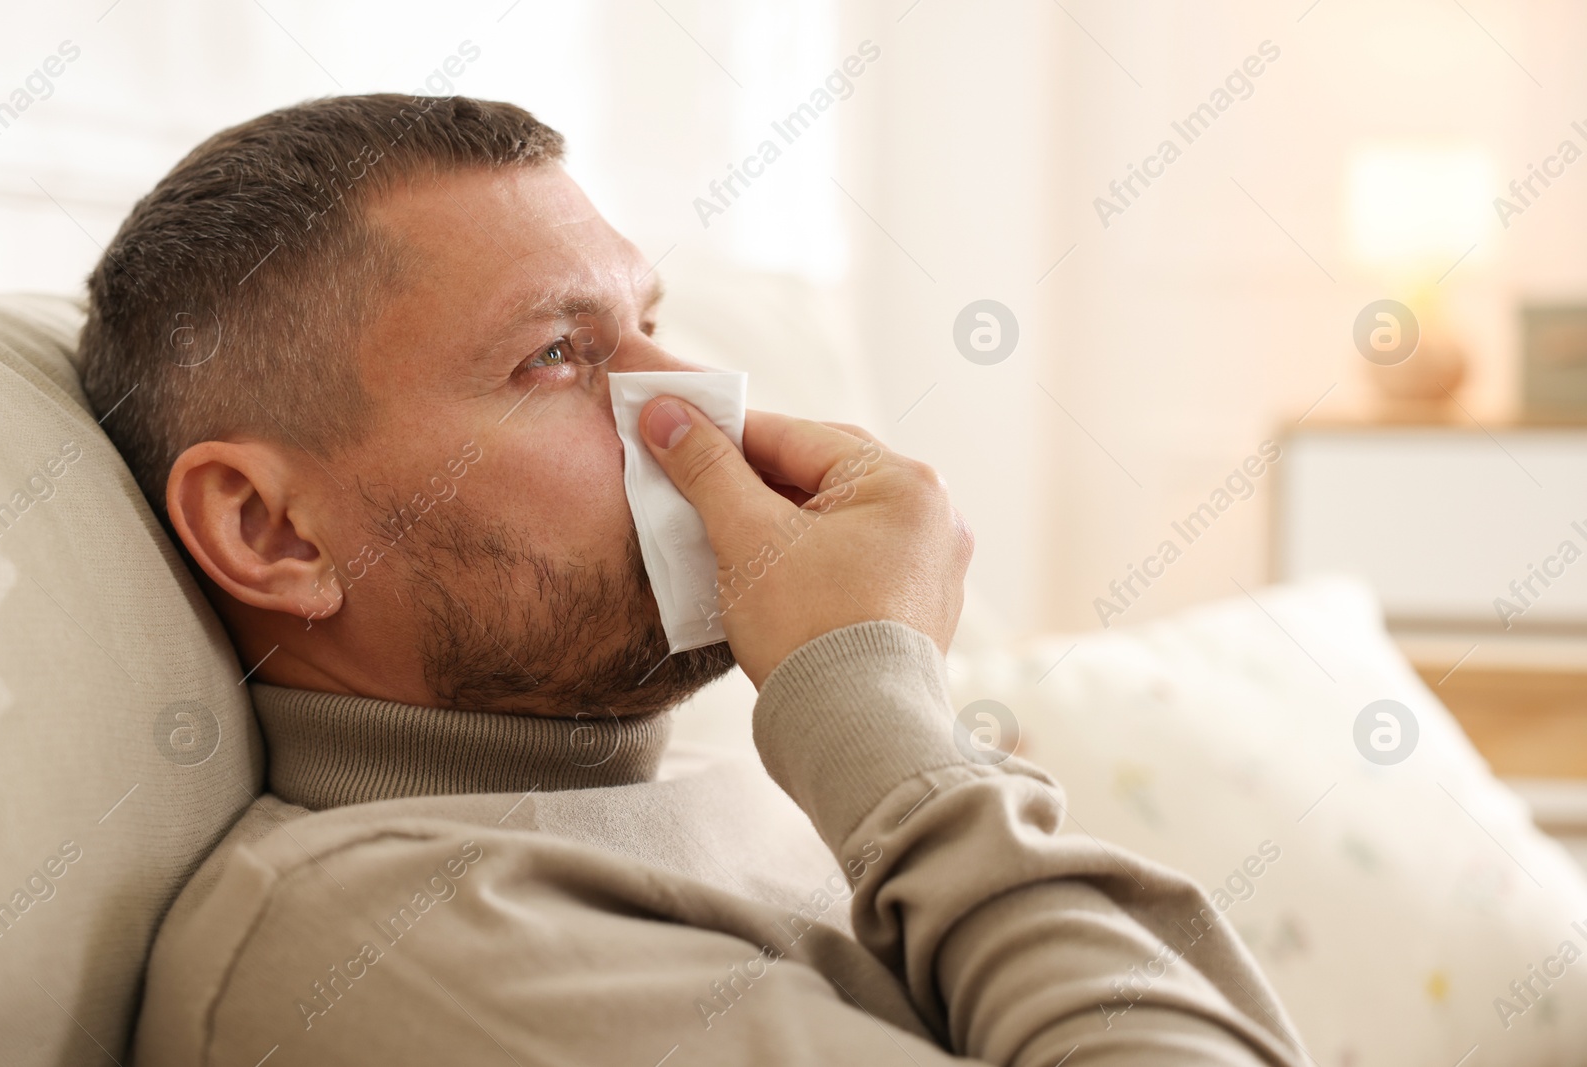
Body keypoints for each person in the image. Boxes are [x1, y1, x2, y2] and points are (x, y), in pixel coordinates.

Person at [79, 94, 1303, 1065]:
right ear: (271, 531)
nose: (702, 401)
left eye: (654, 318)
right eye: (556, 355)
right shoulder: (380, 939)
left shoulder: (734, 795)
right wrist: (875, 705)